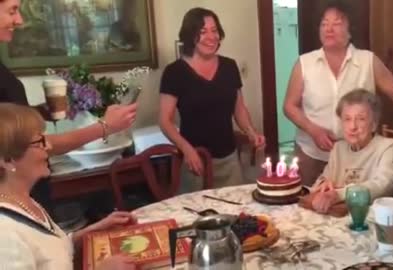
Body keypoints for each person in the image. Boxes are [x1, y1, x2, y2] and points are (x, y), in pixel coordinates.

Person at [283, 0, 393, 187]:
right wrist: (313, 130)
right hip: (311, 154)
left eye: (337, 23)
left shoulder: (367, 61)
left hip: (357, 158)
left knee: (352, 207)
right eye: (324, 23)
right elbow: (289, 106)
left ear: (350, 30)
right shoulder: (304, 63)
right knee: (308, 207)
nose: (329, 28)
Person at [0, 0, 137, 214]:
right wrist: (105, 127)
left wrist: (38, 112)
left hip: (26, 195)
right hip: (13, 201)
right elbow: (30, 145)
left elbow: (11, 122)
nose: (19, 20)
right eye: (12, 11)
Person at [0, 103, 136, 269]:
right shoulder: (5, 233)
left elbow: (55, 249)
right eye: (39, 142)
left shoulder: (25, 202)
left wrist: (96, 229)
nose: (49, 147)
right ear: (7, 161)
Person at [158, 7, 265, 192]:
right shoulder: (174, 72)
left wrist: (251, 132)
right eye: (203, 32)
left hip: (229, 159)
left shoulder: (229, 67)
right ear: (190, 36)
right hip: (195, 161)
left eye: (214, 30)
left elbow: (239, 109)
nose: (211, 37)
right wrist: (187, 150)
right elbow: (164, 121)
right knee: (197, 217)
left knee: (235, 212)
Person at [299, 89, 393, 214]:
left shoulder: (389, 147)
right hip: (343, 216)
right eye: (347, 119)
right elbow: (325, 178)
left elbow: (382, 185)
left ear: (374, 124)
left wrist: (338, 194)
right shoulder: (338, 148)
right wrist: (324, 184)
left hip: (378, 219)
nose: (353, 126)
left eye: (361, 119)